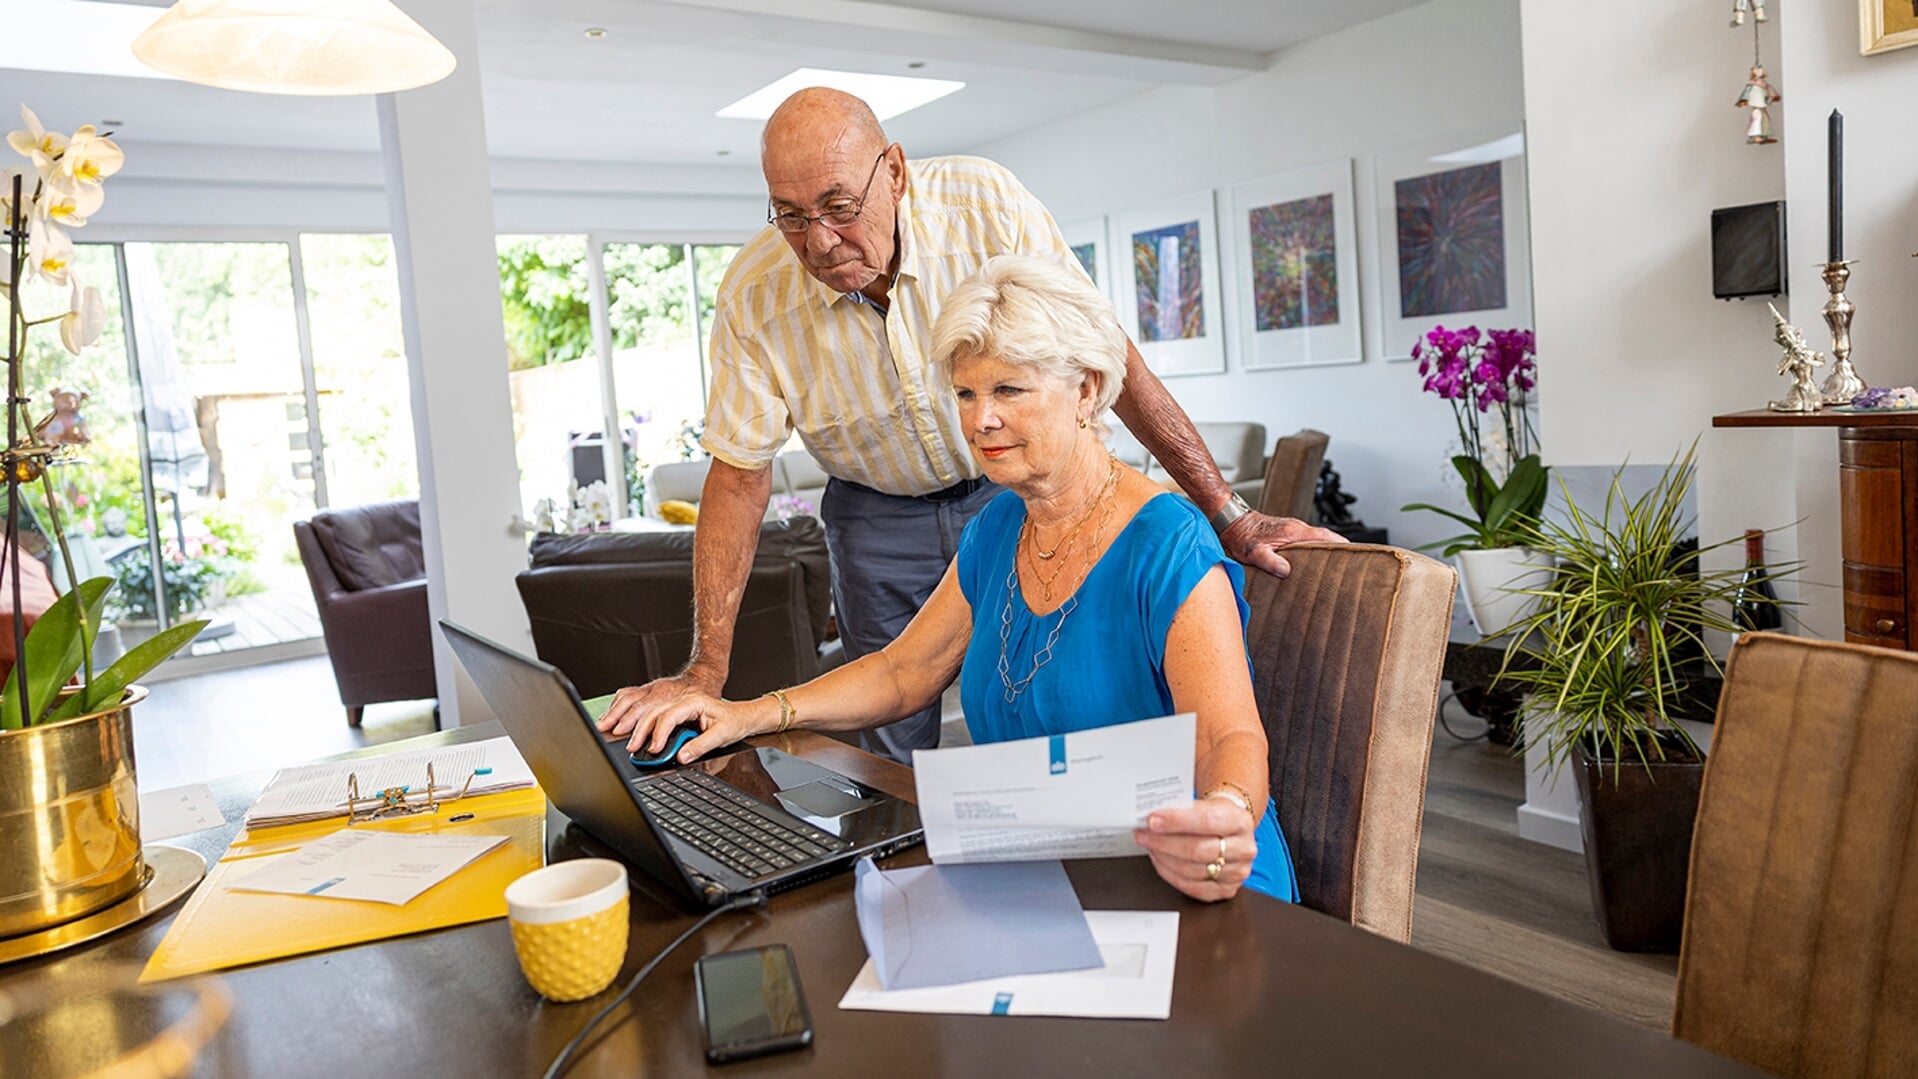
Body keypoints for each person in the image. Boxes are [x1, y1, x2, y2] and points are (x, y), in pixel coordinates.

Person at [597, 87, 1341, 764]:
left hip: (1010, 496)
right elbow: (742, 481)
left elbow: (1108, 352)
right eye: (791, 216)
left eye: (838, 206)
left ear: (893, 170)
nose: (819, 240)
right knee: (892, 747)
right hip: (875, 508)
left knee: (1071, 697)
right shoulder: (755, 294)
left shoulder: (983, 205)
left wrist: (1226, 511)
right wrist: (713, 682)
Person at [610, 255, 1297, 903]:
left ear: (1087, 389)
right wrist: (748, 712)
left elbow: (1229, 737)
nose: (979, 418)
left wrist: (1226, 814)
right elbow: (902, 670)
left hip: (1194, 881)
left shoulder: (1166, 540)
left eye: (1007, 389)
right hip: (1054, 874)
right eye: (965, 392)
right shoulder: (999, 527)